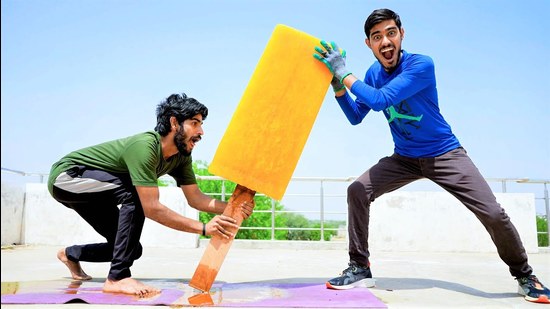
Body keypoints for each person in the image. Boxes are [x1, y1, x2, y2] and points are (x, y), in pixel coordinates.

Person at [313, 8, 550, 304]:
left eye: (391, 33)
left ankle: (525, 275)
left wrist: (343, 72)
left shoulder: (421, 65)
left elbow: (379, 101)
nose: (385, 42)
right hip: (404, 158)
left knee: (492, 213)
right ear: (369, 44)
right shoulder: (374, 73)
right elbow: (356, 115)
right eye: (377, 37)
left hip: (444, 154)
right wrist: (338, 86)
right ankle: (360, 267)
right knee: (357, 190)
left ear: (401, 35)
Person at [47, 93, 254, 296]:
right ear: (174, 123)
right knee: (134, 194)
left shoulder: (181, 157)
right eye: (195, 123)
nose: (201, 131)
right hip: (67, 178)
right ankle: (117, 278)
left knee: (131, 249)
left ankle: (70, 254)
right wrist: (203, 228)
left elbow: (196, 199)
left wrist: (233, 207)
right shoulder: (145, 147)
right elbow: (151, 208)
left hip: (96, 193)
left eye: (201, 124)